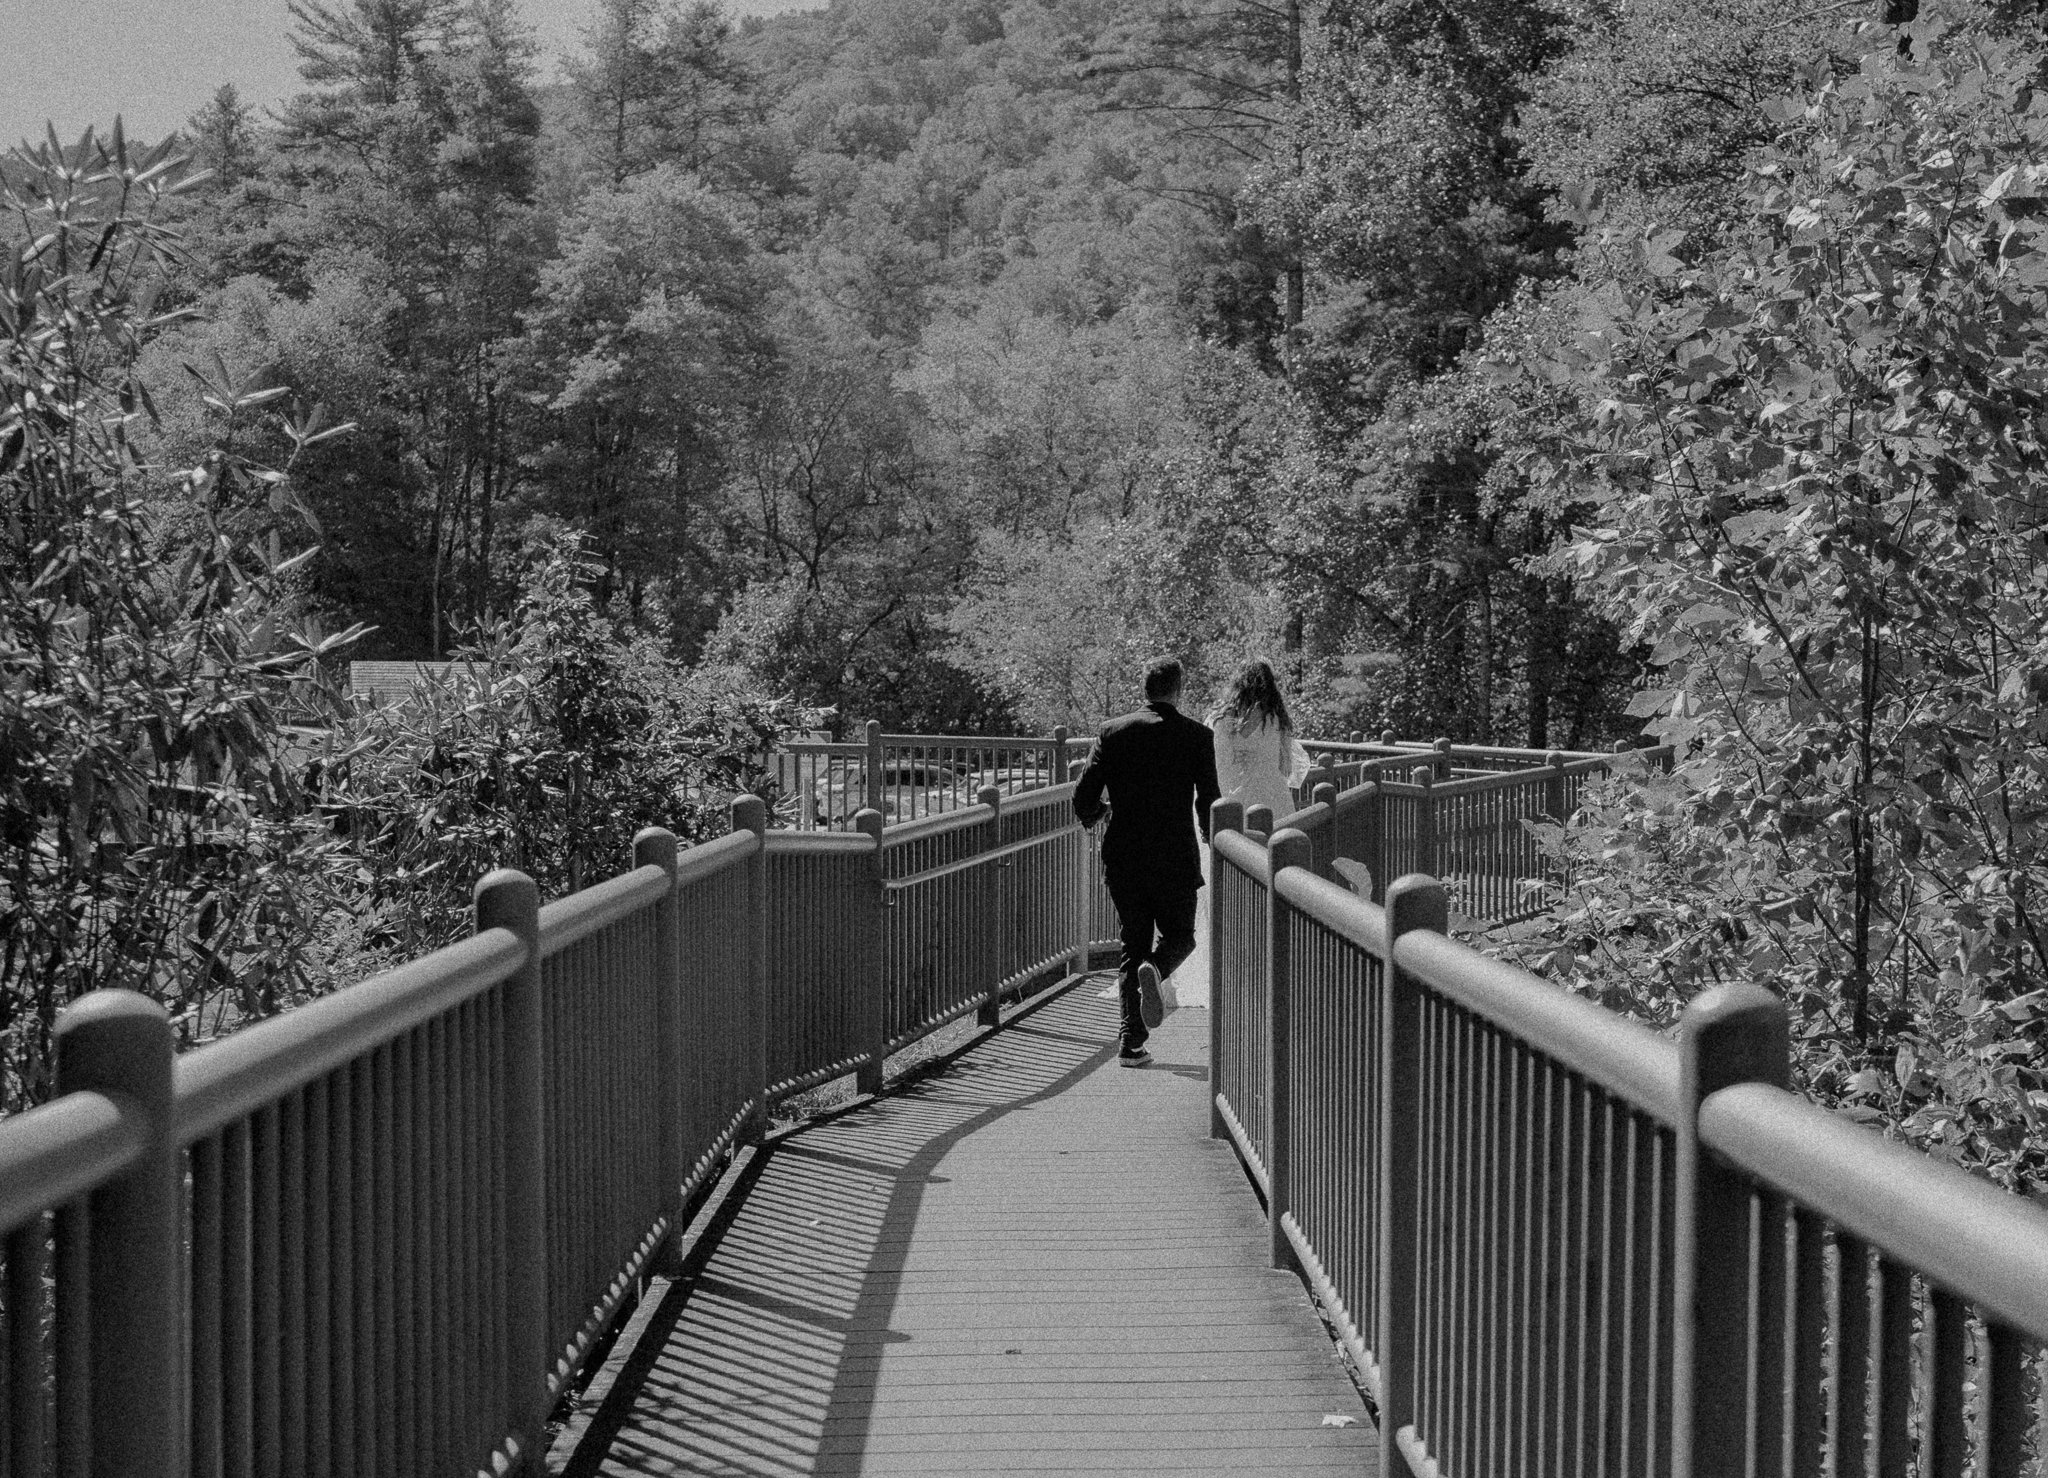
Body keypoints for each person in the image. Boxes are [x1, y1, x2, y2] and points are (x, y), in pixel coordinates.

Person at [1072, 656, 1222, 1067]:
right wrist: (1214, 841)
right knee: (1181, 937)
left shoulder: (1112, 732)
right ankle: (1155, 969)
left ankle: (1130, 1044)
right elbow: (1209, 801)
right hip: (1174, 856)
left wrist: (1098, 813)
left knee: (1131, 943)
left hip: (1124, 856)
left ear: (1145, 689)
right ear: (1178, 690)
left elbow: (1084, 798)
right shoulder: (1196, 736)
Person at [1173, 660, 1312, 1009]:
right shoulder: (1277, 720)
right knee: (1278, 874)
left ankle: (1233, 961)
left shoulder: (1223, 720)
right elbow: (1286, 768)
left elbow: (1216, 767)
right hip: (1276, 800)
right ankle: (1271, 958)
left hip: (1237, 801)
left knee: (1233, 878)